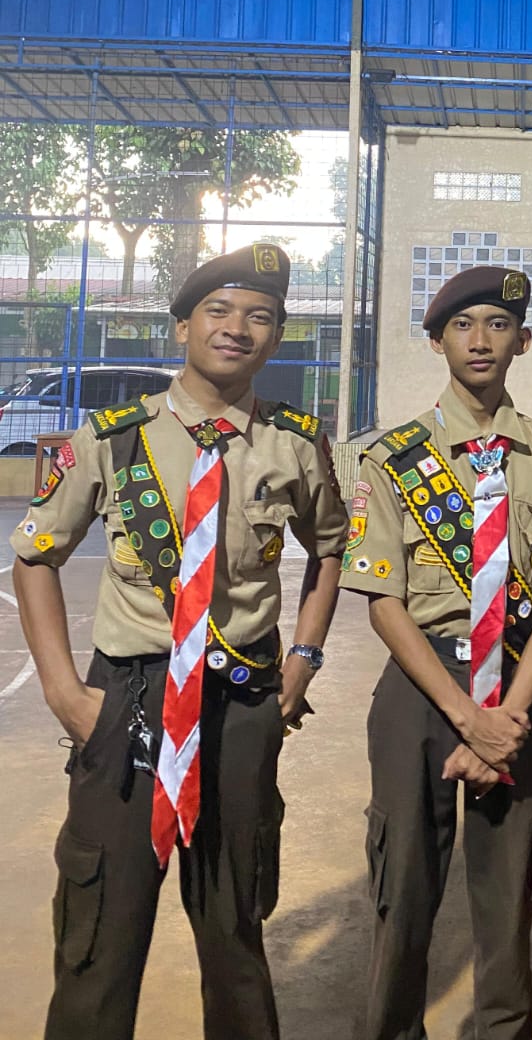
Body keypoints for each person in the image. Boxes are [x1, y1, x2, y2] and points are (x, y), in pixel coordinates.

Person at [10, 242, 348, 1040]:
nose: (238, 329)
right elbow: (33, 556)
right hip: (129, 700)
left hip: (240, 702)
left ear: (277, 335)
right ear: (184, 324)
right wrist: (64, 691)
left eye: (260, 317)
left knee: (235, 925)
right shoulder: (111, 437)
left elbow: (331, 546)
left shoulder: (293, 445)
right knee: (102, 926)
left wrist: (304, 653)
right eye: (220, 311)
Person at [341, 264, 532, 1040]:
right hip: (423, 689)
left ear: (523, 340)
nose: (481, 340)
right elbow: (383, 602)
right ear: (435, 341)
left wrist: (508, 716)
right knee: (404, 887)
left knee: (509, 894)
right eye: (463, 325)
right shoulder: (393, 458)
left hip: (520, 688)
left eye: (498, 325)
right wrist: (466, 715)